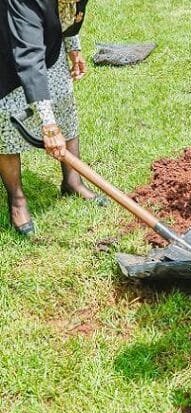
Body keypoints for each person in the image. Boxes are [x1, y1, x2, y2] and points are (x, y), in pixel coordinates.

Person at [0, 0, 105, 237]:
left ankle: (72, 182)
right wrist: (48, 125)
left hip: (48, 42)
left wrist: (73, 47)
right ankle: (17, 200)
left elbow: (69, 12)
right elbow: (29, 57)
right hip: (7, 43)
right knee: (6, 119)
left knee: (63, 102)